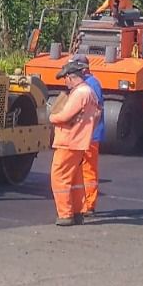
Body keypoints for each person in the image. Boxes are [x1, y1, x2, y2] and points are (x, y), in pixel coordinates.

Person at [47, 57, 102, 227]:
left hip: (68, 141)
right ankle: (78, 211)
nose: (65, 82)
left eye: (66, 78)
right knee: (76, 180)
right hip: (79, 142)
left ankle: (65, 214)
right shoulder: (90, 92)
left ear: (71, 77)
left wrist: (51, 117)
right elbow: (97, 115)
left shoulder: (79, 94)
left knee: (60, 178)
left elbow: (65, 116)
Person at [71, 54, 104, 218]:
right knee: (80, 170)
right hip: (83, 135)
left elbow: (97, 110)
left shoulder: (92, 84)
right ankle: (82, 203)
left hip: (90, 136)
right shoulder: (85, 84)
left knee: (89, 170)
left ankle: (89, 205)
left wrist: (89, 131)